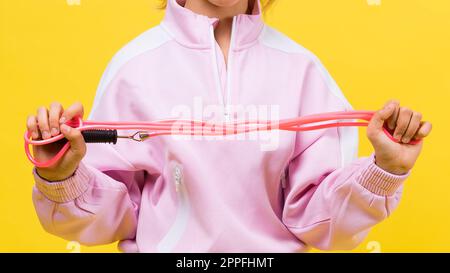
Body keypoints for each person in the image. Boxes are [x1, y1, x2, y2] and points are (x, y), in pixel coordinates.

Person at [27, 0, 432, 252]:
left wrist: (386, 169)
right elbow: (111, 219)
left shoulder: (303, 70)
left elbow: (327, 227)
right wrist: (62, 175)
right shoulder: (134, 68)